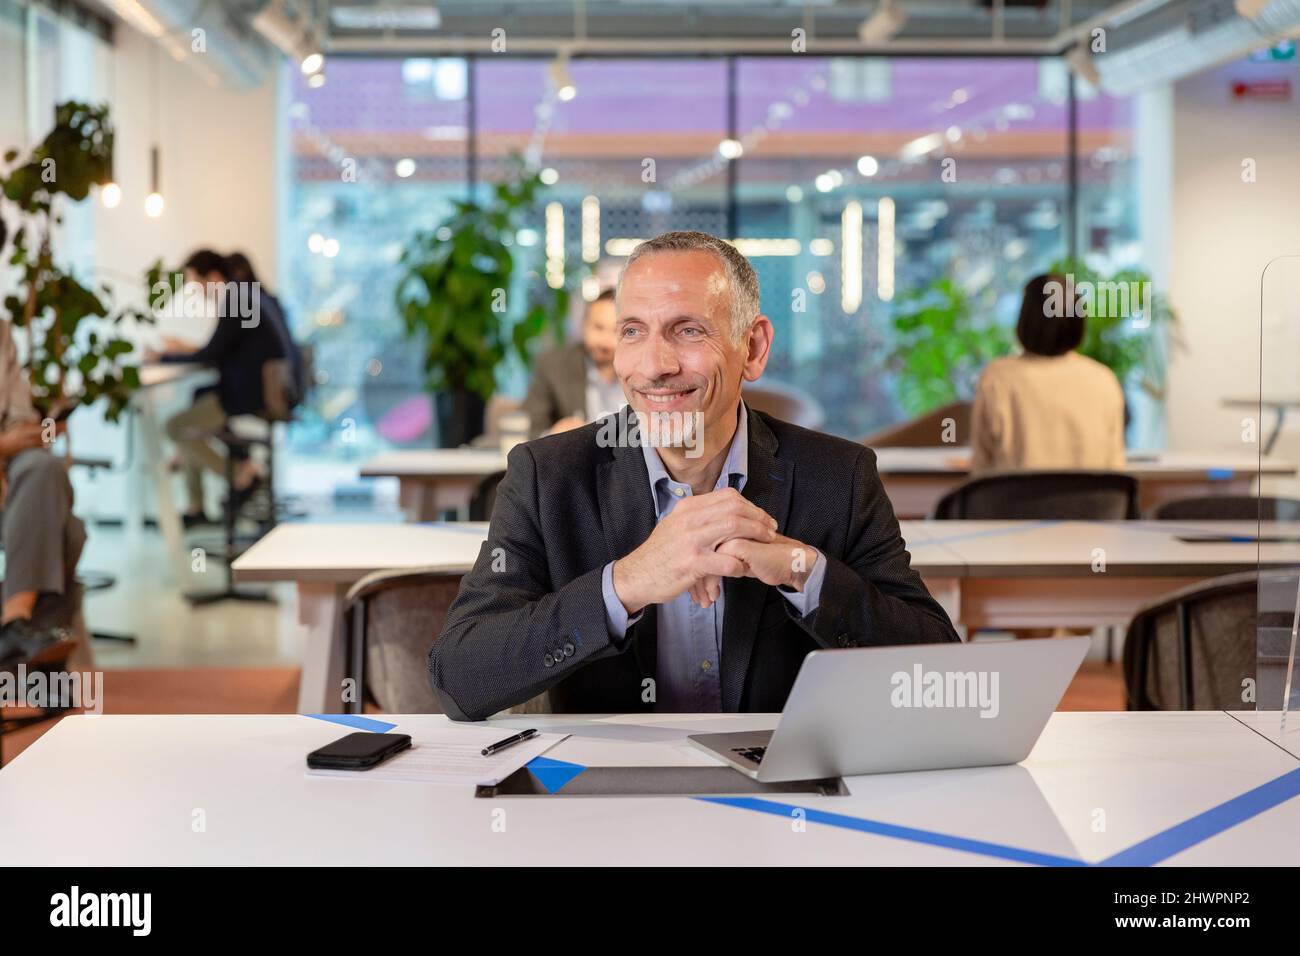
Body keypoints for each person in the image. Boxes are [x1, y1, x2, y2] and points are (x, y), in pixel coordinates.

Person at [429, 230, 958, 721]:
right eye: (633, 331)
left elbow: (938, 677)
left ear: (752, 348)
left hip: (783, 795)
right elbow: (460, 678)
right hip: (606, 798)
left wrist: (804, 571)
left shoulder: (838, 477)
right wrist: (629, 582)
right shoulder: (549, 476)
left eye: (687, 331)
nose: (654, 365)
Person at [149, 249, 290, 526]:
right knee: (195, 400)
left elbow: (211, 354)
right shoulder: (244, 295)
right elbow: (220, 349)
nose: (197, 292)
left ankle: (241, 474)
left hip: (247, 396)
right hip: (263, 390)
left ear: (213, 277)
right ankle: (197, 503)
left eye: (197, 284)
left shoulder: (236, 297)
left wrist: (162, 356)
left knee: (175, 427)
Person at [970, 274, 1127, 473]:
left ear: (1024, 321)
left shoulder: (997, 378)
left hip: (1015, 504)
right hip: (1092, 504)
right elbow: (1114, 467)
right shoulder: (1103, 380)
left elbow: (981, 467)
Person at [0, 318, 82, 669]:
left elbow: (18, 411)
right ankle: (24, 647)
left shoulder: (2, 332)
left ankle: (16, 633)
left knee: (43, 468)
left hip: (10, 466)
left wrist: (33, 432)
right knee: (70, 533)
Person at [522, 288, 620, 438]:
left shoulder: (644, 369)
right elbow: (529, 429)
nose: (605, 341)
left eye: (615, 331)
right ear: (584, 324)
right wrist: (555, 434)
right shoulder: (553, 366)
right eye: (598, 327)